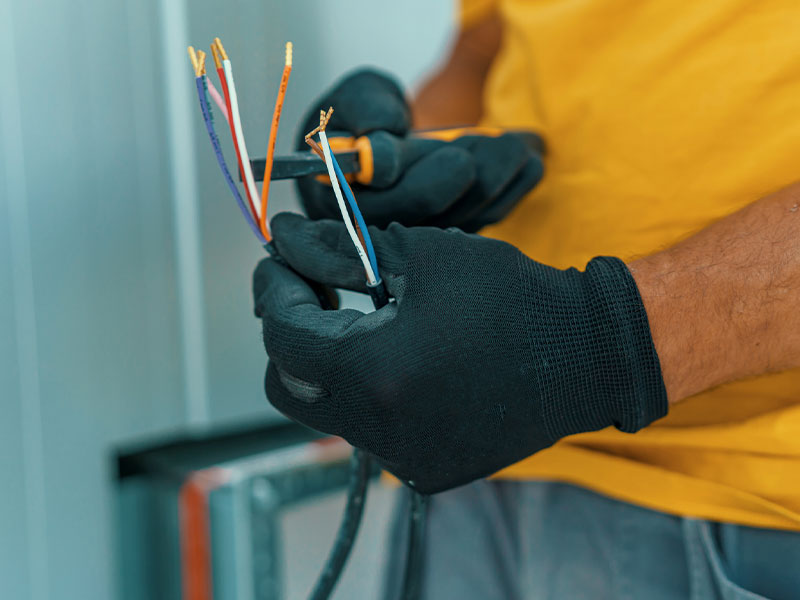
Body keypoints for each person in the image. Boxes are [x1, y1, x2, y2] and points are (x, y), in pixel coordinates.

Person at [252, 1, 800, 598]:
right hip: (480, 456)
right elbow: (485, 49)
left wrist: (595, 343)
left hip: (747, 500)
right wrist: (403, 158)